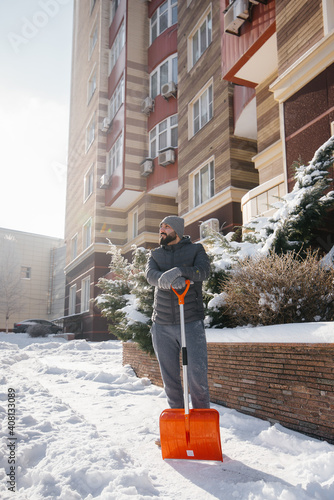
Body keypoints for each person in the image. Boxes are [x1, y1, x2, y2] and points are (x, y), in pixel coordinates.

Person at [145, 215, 211, 409]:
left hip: (190, 321)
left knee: (197, 380)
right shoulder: (155, 254)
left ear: (177, 230)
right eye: (160, 226)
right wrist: (167, 278)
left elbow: (204, 271)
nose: (161, 230)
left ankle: (201, 429)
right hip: (161, 324)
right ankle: (177, 432)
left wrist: (180, 271)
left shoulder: (195, 250)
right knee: (171, 382)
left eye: (166, 226)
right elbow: (150, 275)